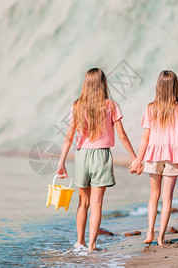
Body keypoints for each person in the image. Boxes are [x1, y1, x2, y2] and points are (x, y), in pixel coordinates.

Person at [56, 68, 137, 252]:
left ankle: (80, 243)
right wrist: (134, 157)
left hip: (82, 155)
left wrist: (61, 163)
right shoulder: (110, 105)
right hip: (101, 155)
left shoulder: (77, 105)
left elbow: (68, 136)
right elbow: (122, 135)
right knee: (97, 203)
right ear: (103, 83)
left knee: (83, 202)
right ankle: (92, 246)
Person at [130, 70, 178, 246]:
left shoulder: (151, 108)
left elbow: (145, 137)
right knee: (167, 198)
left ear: (158, 86)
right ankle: (161, 237)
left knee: (154, 195)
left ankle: (150, 233)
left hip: (154, 155)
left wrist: (138, 159)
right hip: (174, 156)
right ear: (175, 86)